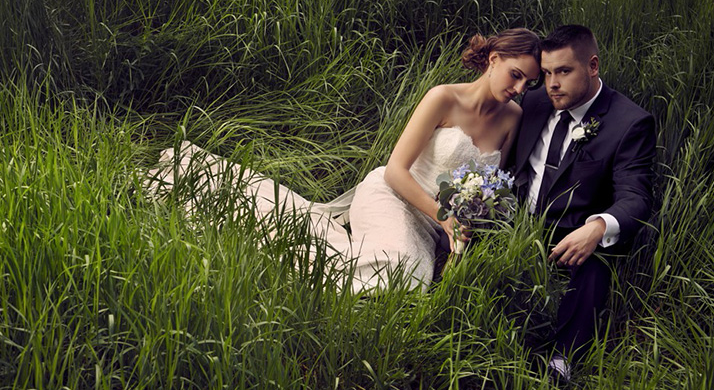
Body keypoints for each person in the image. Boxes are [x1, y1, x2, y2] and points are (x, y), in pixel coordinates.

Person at [147, 28, 541, 294]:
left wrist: (459, 238)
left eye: (528, 83)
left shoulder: (513, 117)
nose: (520, 88)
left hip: (437, 225)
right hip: (393, 195)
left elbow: (481, 193)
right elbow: (394, 170)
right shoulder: (444, 98)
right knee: (397, 271)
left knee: (411, 282)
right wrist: (445, 218)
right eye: (515, 74)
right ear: (492, 58)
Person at [507, 24, 656, 384]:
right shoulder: (535, 102)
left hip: (575, 234)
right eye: (546, 73)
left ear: (592, 66)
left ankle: (562, 361)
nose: (552, 83)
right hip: (516, 224)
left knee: (596, 261)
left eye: (563, 71)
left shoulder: (629, 123)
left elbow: (636, 194)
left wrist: (599, 226)